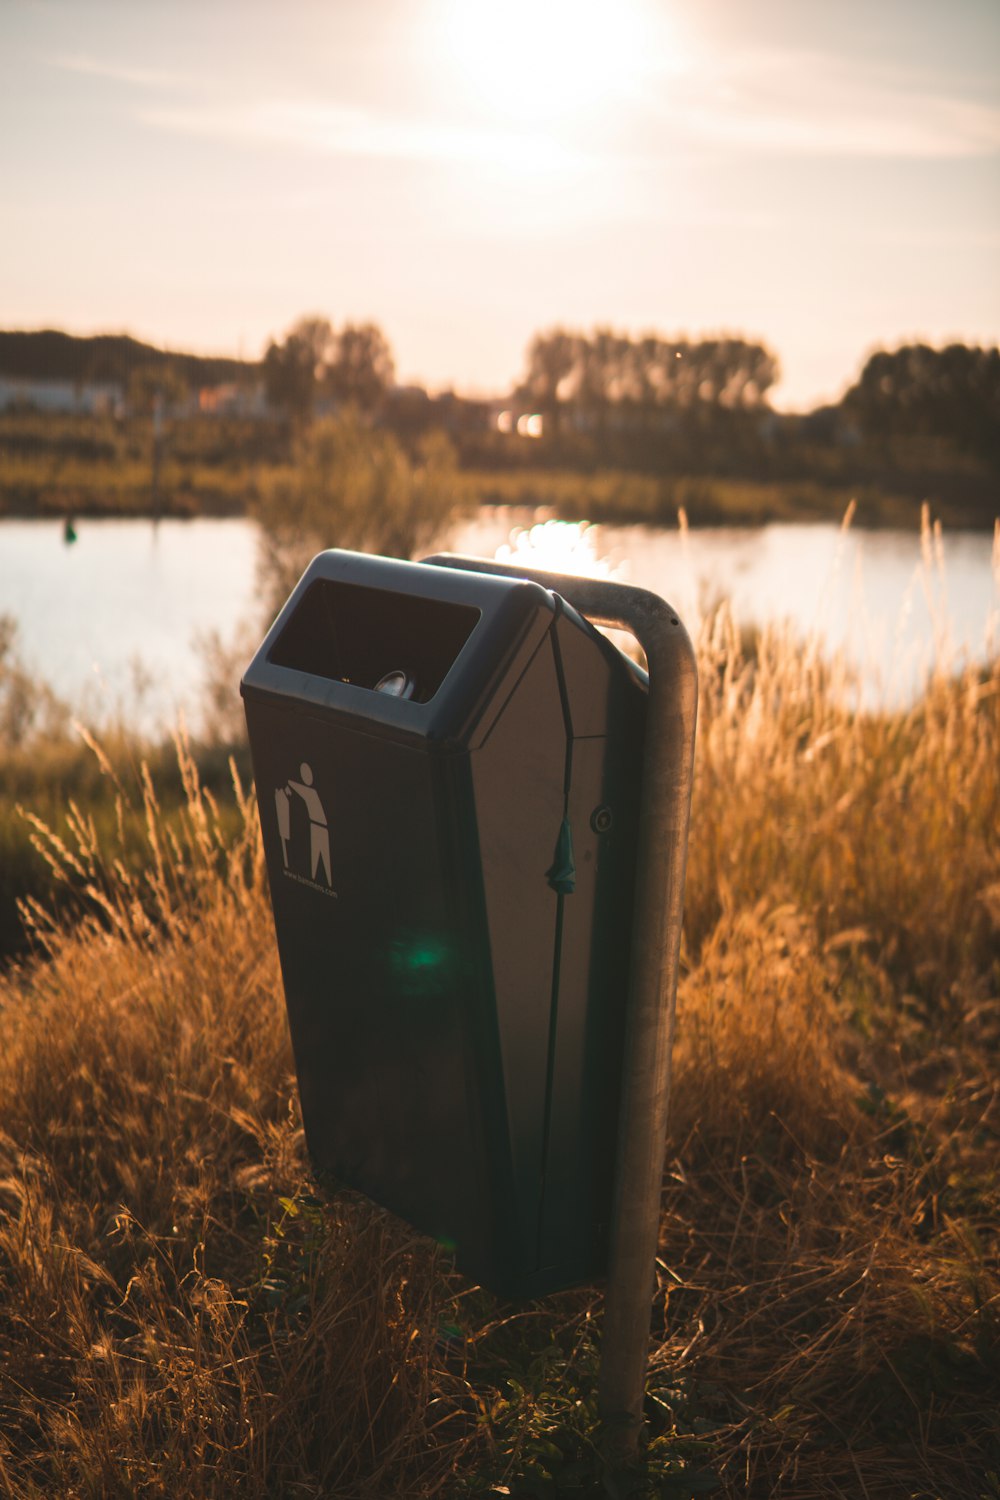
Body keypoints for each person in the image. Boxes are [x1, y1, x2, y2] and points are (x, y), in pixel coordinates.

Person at [286, 763, 332, 884]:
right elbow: (300, 789)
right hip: (317, 827)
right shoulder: (310, 792)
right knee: (316, 859)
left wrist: (291, 784)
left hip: (322, 828)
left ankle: (324, 883)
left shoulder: (311, 792)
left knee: (325, 861)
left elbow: (301, 789)